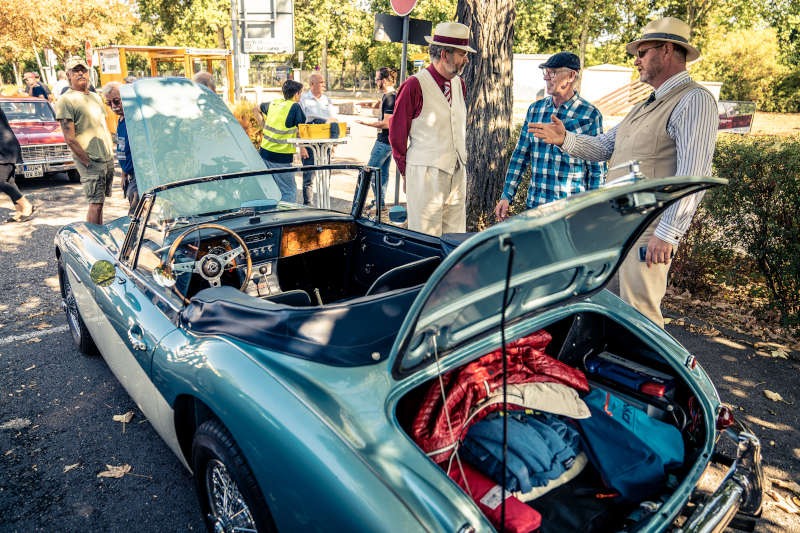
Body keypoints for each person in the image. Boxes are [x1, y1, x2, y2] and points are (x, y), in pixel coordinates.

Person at [530, 17, 718, 328]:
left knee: (639, 319)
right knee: (608, 312)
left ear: (668, 50)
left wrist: (667, 234)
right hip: (620, 226)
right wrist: (565, 139)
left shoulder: (693, 100)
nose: (636, 60)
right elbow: (604, 146)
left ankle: (650, 376)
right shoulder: (643, 106)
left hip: (649, 228)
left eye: (642, 52)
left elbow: (693, 174)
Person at [495, 52, 605, 222]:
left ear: (571, 75)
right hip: (535, 208)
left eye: (552, 72)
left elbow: (596, 169)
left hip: (570, 212)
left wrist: (593, 209)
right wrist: (506, 195)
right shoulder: (535, 110)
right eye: (545, 72)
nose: (546, 77)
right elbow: (520, 157)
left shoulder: (590, 115)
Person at [389, 21, 474, 236]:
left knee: (455, 236)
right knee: (426, 235)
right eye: (462, 54)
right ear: (445, 54)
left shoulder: (459, 84)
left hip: (456, 170)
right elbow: (397, 135)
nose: (466, 59)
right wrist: (405, 172)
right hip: (425, 172)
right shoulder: (413, 85)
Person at [56, 56, 115, 225]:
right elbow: (70, 138)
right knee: (95, 203)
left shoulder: (95, 97)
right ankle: (93, 240)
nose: (81, 73)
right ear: (68, 74)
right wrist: (87, 161)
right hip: (91, 160)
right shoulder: (66, 100)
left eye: (83, 70)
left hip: (106, 157)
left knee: (101, 201)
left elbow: (102, 125)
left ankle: (99, 233)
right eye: (76, 70)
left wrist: (110, 151)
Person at [254, 79, 309, 203]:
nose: (300, 96)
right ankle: (286, 220)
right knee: (289, 191)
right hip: (280, 157)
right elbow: (302, 130)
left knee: (272, 189)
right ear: (296, 94)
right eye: (300, 93)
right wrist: (303, 148)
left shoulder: (274, 103)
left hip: (264, 153)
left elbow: (255, 109)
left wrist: (264, 126)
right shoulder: (295, 107)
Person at [356, 67, 397, 209]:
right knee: (382, 174)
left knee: (370, 172)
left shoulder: (390, 97)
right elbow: (380, 107)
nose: (375, 81)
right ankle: (380, 203)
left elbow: (386, 124)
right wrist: (365, 104)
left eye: (377, 79)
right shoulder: (389, 95)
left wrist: (365, 122)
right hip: (388, 142)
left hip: (384, 142)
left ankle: (360, 204)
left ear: (384, 81)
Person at [299, 73, 336, 205]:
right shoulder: (303, 100)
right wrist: (301, 146)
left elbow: (333, 120)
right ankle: (308, 205)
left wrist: (334, 144)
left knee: (326, 175)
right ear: (312, 84)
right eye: (321, 82)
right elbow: (299, 124)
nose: (323, 84)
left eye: (324, 82)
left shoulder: (327, 100)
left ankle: (324, 205)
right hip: (309, 143)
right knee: (309, 176)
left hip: (325, 143)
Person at [102, 82, 138, 214]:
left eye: (117, 101)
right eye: (109, 103)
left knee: (136, 215)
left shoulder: (134, 119)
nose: (113, 107)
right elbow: (123, 148)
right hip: (130, 175)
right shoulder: (121, 119)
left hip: (139, 176)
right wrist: (123, 174)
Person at [0, 107, 35, 222]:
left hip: (5, 147)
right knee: (9, 181)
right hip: (7, 145)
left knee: (1, 181)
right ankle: (19, 211)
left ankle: (26, 205)